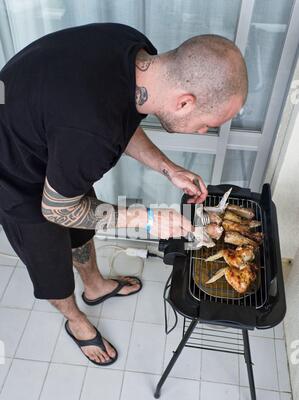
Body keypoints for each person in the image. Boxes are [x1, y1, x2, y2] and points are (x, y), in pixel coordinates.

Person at [0, 23, 248, 365]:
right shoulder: (89, 134)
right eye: (207, 124)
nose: (205, 132)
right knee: (49, 262)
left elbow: (121, 120)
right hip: (12, 170)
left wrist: (168, 168)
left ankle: (96, 287)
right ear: (185, 102)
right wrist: (145, 219)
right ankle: (76, 320)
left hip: (51, 135)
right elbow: (56, 209)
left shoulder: (135, 49)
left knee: (82, 225)